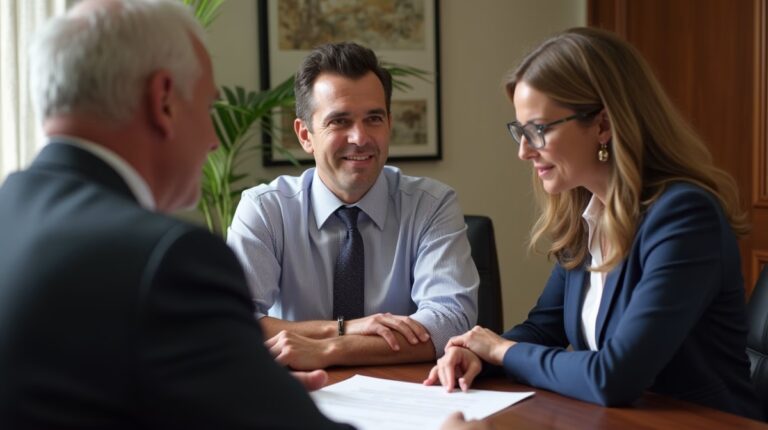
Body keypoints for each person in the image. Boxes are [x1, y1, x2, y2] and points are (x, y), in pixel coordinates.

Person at [0, 1, 486, 429]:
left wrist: (293, 365)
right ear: (164, 99)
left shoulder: (12, 212)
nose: (214, 139)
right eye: (209, 105)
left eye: (374, 118)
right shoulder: (167, 258)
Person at [424, 27, 764, 421]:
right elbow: (542, 329)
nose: (523, 151)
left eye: (538, 129)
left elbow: (614, 376)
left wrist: (500, 349)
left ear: (603, 125)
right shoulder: (585, 214)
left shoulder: (685, 216)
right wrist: (476, 354)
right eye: (520, 131)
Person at [227, 42, 479, 369]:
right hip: (301, 397)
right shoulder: (266, 209)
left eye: (373, 118)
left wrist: (333, 349)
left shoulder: (431, 205)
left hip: (405, 396)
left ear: (389, 124)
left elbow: (450, 321)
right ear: (305, 135)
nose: (360, 138)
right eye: (339, 121)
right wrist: (343, 329)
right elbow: (231, 321)